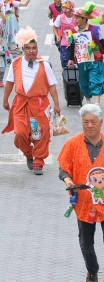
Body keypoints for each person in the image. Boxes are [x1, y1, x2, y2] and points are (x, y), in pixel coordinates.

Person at [2, 27, 60, 175]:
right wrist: (5, 100)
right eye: (28, 48)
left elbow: (52, 86)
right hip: (21, 103)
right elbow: (9, 83)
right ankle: (28, 153)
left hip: (40, 104)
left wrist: (57, 104)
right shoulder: (15, 63)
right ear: (23, 49)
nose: (31, 51)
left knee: (41, 132)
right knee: (21, 133)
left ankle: (39, 161)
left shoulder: (44, 65)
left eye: (34, 48)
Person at [58, 104, 104, 282]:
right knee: (86, 243)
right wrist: (68, 180)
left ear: (100, 122)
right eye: (86, 122)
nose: (90, 125)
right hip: (84, 203)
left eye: (93, 122)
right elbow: (64, 169)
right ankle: (92, 272)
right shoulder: (72, 144)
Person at [68, 4, 104, 104]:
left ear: (84, 19)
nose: (75, 19)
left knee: (95, 80)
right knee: (84, 82)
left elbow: (102, 43)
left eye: (78, 17)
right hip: (81, 61)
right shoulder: (73, 31)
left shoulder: (95, 30)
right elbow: (72, 45)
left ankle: (96, 104)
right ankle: (88, 102)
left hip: (95, 61)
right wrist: (71, 59)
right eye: (75, 17)